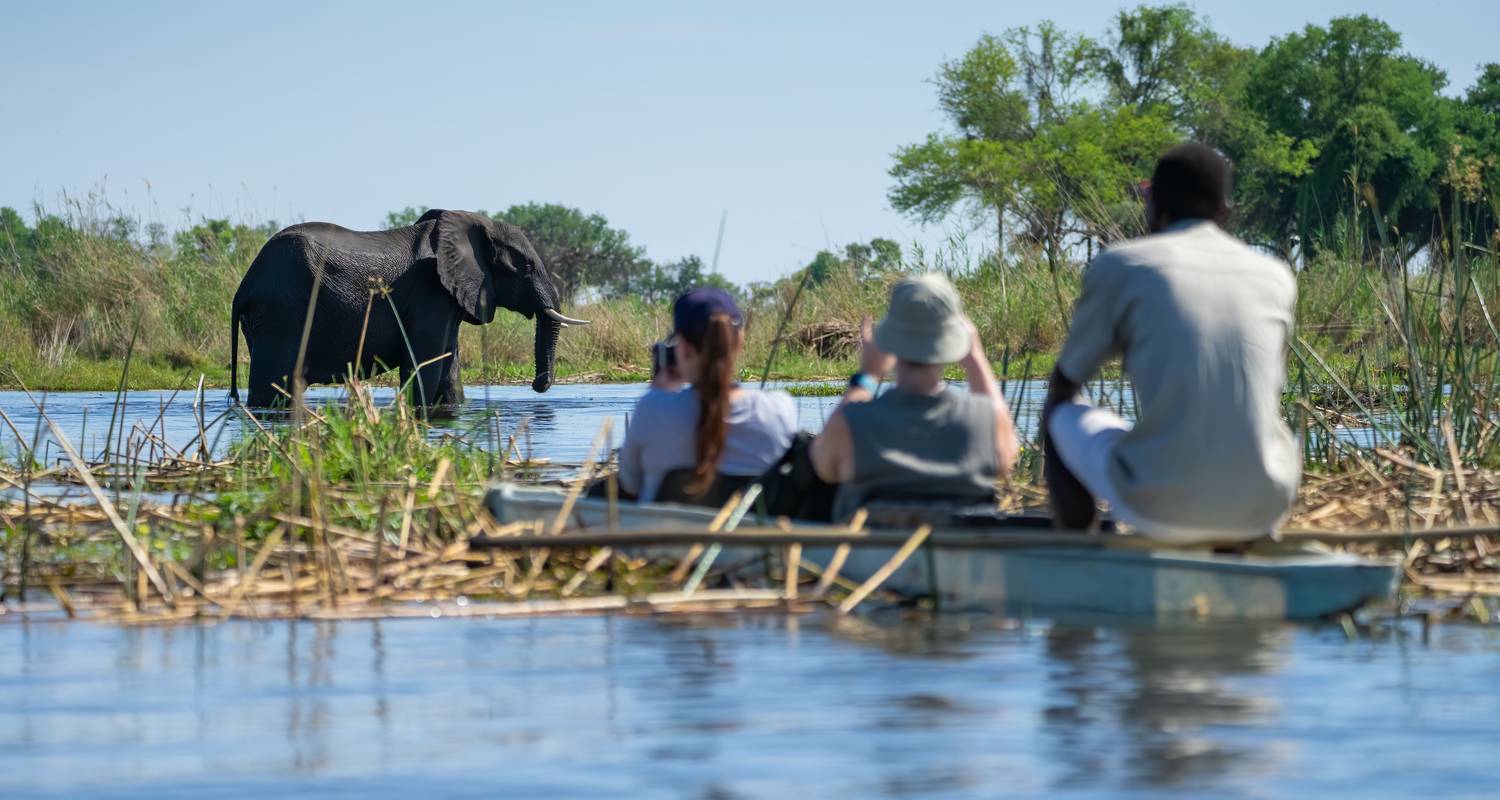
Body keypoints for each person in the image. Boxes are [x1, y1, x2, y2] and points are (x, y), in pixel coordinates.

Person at [1043, 142, 1300, 543]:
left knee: (1058, 411)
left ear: (1153, 204)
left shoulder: (1123, 265)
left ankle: (1079, 549)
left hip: (1162, 508)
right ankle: (1235, 546)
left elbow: (1066, 381)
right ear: (1224, 210)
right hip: (1266, 504)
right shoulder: (1275, 276)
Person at [811, 273, 1020, 521]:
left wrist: (867, 375)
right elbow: (1006, 460)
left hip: (871, 557)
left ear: (888, 340)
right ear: (956, 339)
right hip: (959, 558)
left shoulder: (853, 421)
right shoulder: (986, 420)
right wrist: (975, 357)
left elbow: (824, 466)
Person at [617, 287, 798, 504]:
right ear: (739, 340)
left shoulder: (652, 409)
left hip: (668, 535)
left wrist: (659, 392)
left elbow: (628, 485)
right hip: (748, 536)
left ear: (682, 347)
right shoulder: (780, 408)